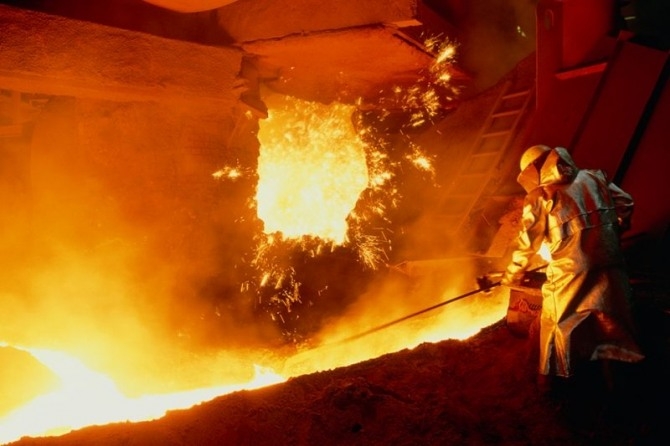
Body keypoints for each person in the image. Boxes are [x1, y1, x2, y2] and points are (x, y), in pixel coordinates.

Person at [501, 144, 644, 387]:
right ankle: (619, 380)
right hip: (610, 261)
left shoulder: (540, 196)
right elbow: (626, 202)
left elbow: (528, 244)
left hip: (570, 271)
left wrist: (512, 273)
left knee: (556, 322)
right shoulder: (595, 177)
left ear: (533, 170)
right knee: (612, 316)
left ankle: (553, 385)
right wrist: (615, 229)